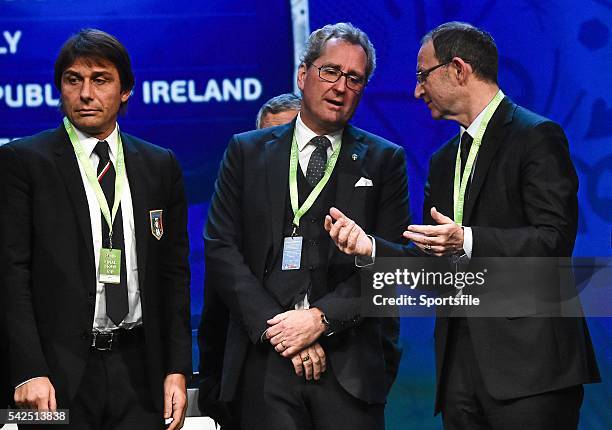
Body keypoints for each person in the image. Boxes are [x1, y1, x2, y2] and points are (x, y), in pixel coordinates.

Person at [325, 21, 600, 430]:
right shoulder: (442, 160)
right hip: (459, 375)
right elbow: (432, 266)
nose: (417, 90)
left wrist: (466, 239)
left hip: (532, 373)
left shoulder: (536, 137)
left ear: (458, 69)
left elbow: (553, 242)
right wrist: (371, 249)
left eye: (423, 75)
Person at [201, 22, 410, 429]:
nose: (340, 87)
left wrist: (319, 320)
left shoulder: (385, 160)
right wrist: (280, 330)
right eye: (330, 71)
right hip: (264, 365)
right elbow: (220, 248)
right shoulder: (246, 151)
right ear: (303, 75)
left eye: (354, 78)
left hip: (349, 367)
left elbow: (393, 264)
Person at [0, 29, 192, 430]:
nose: (85, 93)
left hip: (141, 369)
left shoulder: (160, 165)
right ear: (60, 89)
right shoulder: (22, 161)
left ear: (125, 91)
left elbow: (174, 276)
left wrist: (177, 368)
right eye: (74, 80)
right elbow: (10, 274)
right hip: (55, 376)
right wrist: (28, 369)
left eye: (100, 79)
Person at [198, 91, 302, 430]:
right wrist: (214, 384)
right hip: (250, 386)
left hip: (329, 384)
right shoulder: (234, 220)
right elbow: (217, 308)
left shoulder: (341, 206)